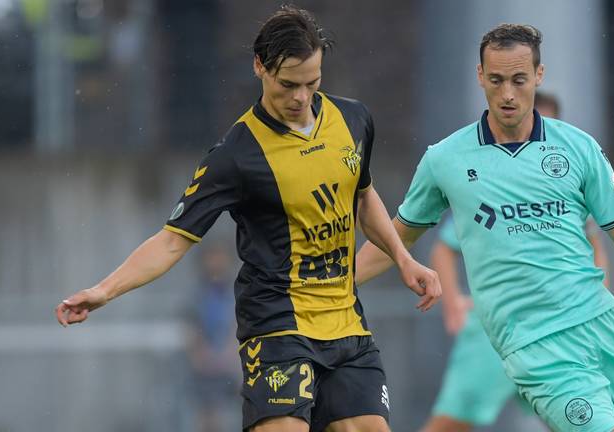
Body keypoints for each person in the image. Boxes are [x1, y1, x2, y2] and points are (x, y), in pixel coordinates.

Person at [55, 6, 440, 432]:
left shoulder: (353, 120)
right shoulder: (235, 155)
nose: (300, 97)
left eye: (312, 84)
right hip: (276, 327)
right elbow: (172, 241)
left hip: (346, 323)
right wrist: (103, 291)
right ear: (260, 67)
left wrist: (405, 260)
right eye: (288, 84)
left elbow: (363, 197)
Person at [356, 24, 614, 432]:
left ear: (539, 76)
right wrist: (336, 285)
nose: (507, 93)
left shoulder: (578, 147)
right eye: (496, 80)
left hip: (603, 324)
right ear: (479, 76)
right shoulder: (445, 159)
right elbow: (396, 237)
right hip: (535, 344)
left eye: (519, 80)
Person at [419, 93, 610, 432]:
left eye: (544, 126)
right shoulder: (491, 189)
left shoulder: (570, 184)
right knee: (450, 424)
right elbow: (443, 248)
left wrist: (601, 307)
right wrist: (453, 305)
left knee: (583, 422)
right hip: (497, 332)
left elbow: (595, 250)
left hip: (559, 328)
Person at [186, 244, 241, 432]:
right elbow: (192, 326)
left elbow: (238, 323)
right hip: (205, 368)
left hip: (231, 367)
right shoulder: (197, 293)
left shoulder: (236, 290)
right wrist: (200, 354)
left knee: (232, 414)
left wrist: (230, 351)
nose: (215, 262)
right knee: (207, 415)